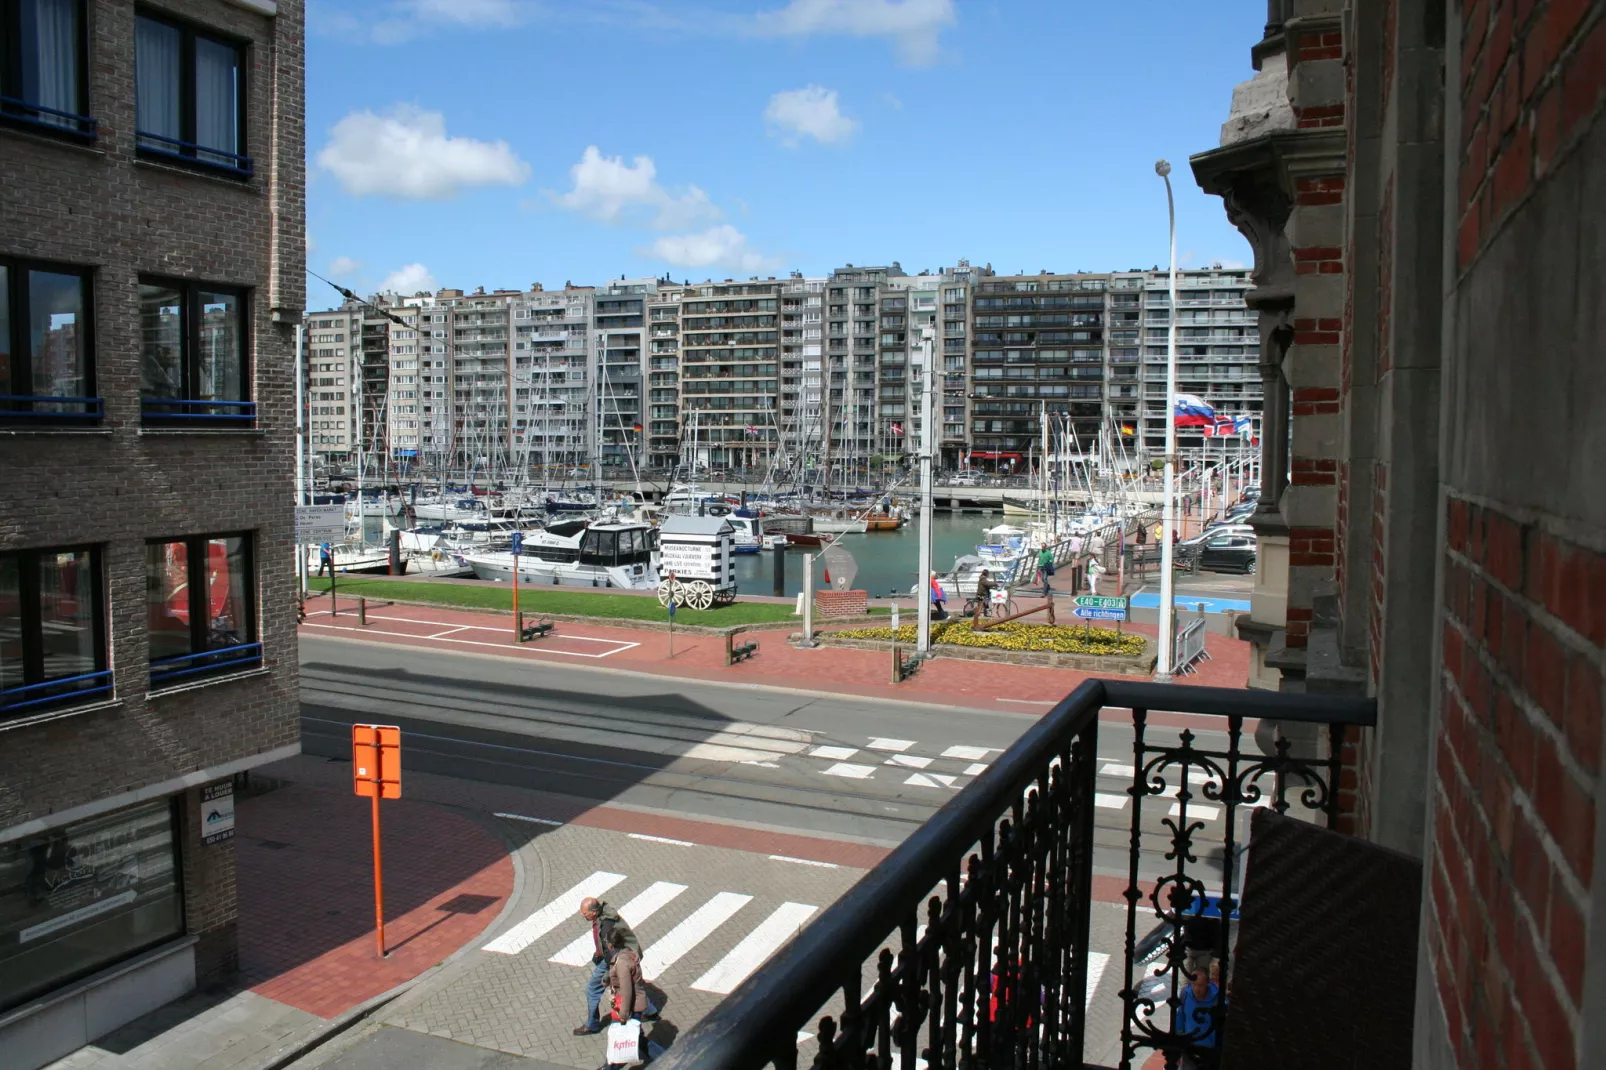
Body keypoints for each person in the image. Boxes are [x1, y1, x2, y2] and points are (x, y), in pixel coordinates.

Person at [574, 897, 656, 1037]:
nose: (582, 915)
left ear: (594, 912)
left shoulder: (606, 926)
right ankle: (650, 1010)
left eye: (584, 913)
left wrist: (607, 977)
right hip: (621, 955)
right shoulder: (604, 915)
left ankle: (592, 1024)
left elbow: (612, 956)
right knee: (632, 985)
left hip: (615, 959)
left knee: (593, 988)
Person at [599, 928, 665, 1068]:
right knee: (634, 1037)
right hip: (631, 1004)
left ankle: (665, 1058)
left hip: (627, 1006)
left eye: (607, 942)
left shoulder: (622, 962)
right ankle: (611, 1065)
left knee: (626, 1037)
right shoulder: (627, 953)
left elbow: (626, 990)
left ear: (611, 944)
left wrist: (623, 1014)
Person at [1177, 968, 1222, 1068]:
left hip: (1209, 1050)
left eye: (1200, 985)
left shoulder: (1218, 998)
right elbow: (1180, 1017)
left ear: (1208, 983)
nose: (1197, 989)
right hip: (1189, 1047)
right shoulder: (1185, 993)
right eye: (1194, 984)